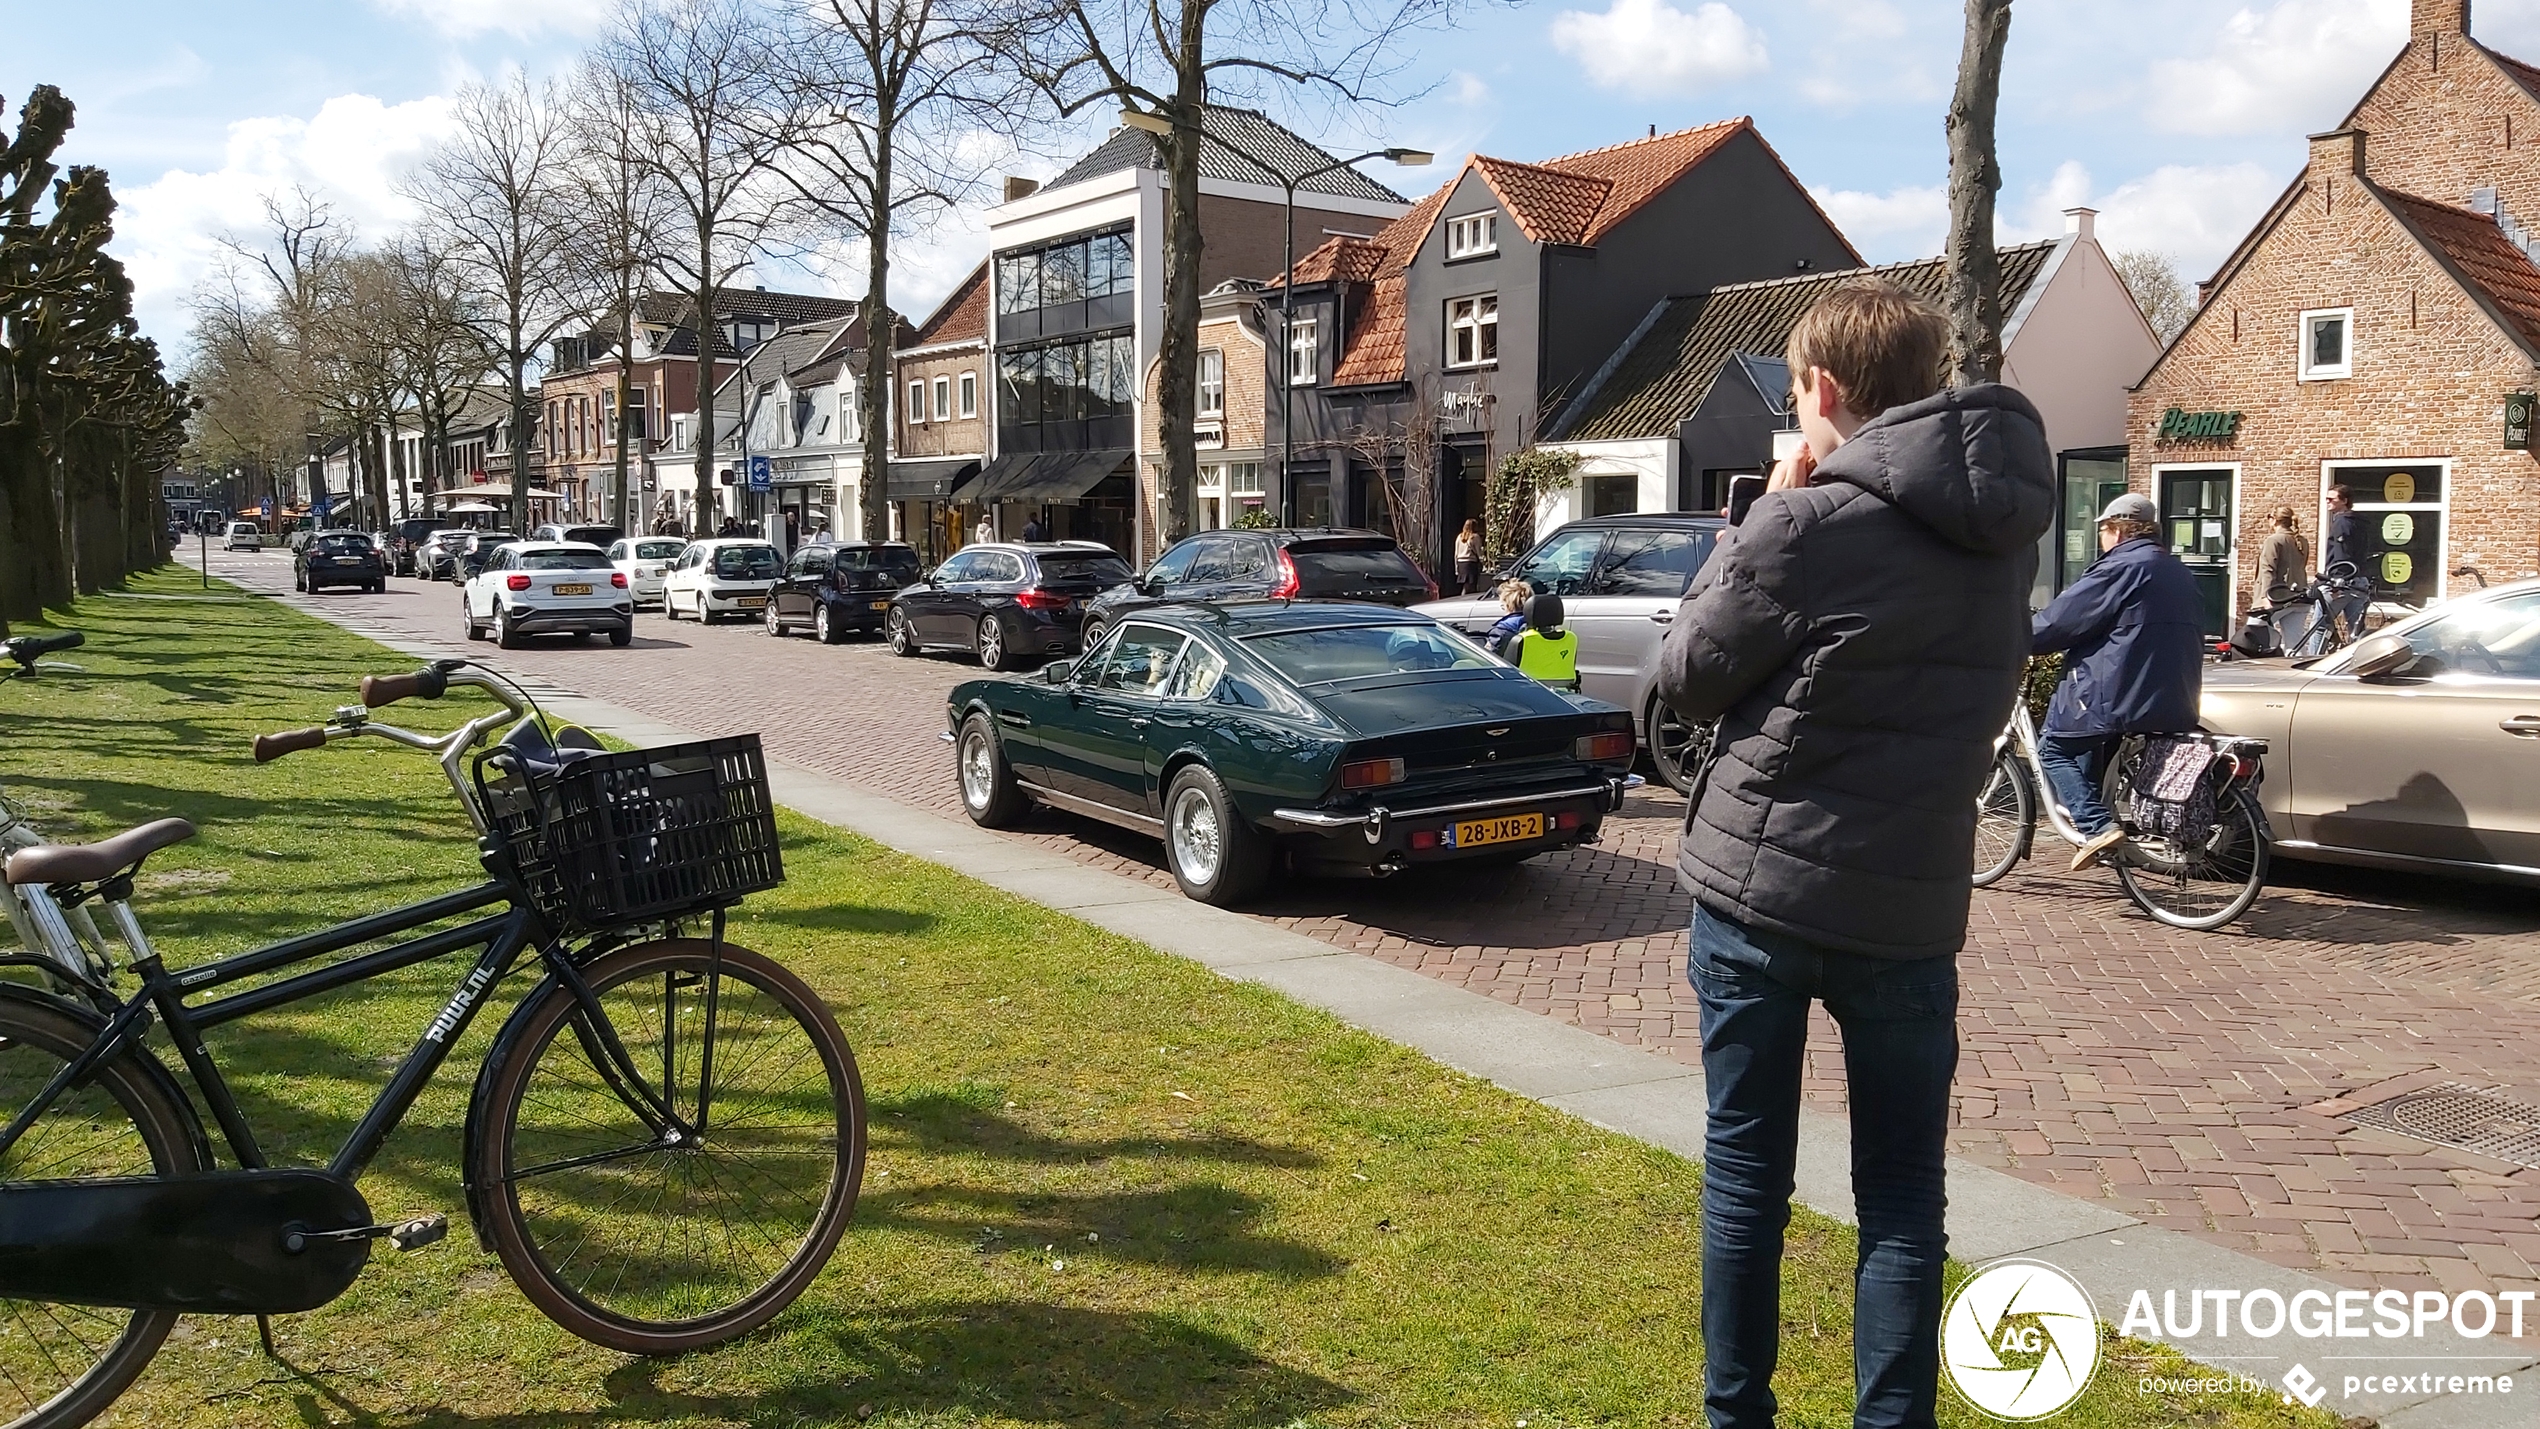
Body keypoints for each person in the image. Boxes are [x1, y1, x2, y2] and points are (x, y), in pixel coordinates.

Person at [1656, 278, 2053, 1429]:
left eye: (1791, 390)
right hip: (1908, 908)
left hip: (1759, 900)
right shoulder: (2002, 543)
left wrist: (1750, 526)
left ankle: (1737, 1415)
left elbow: (1687, 674)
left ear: (1821, 389)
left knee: (1745, 1177)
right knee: (1899, 1197)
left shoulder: (1801, 521)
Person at [2028, 492, 2205, 870]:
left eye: (2104, 531)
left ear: (2119, 531)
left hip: (2120, 693)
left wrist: (2016, 638)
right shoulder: (2178, 570)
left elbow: (2062, 620)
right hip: (2173, 695)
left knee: (2053, 749)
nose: (2102, 541)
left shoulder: (2120, 568)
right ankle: (2106, 827)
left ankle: (2097, 827)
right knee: (2091, 749)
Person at [2258, 505, 2311, 652]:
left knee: (2254, 632)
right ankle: (2298, 672)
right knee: (2295, 645)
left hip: (2277, 597)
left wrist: (2264, 596)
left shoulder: (2273, 540)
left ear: (2273, 520)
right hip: (2299, 596)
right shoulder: (2302, 541)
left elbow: (2268, 570)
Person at [2321, 484, 2368, 639]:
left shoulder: (2342, 522)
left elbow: (2342, 553)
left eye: (2331, 499)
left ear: (2344, 501)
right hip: (2359, 581)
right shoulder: (2359, 522)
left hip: (2343, 583)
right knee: (2356, 631)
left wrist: (2336, 582)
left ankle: (2312, 662)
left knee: (2320, 626)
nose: (2327, 501)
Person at [1505, 592, 1579, 690]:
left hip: (1526, 695)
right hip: (1564, 696)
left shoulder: (1522, 639)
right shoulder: (1571, 638)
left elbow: (1505, 673)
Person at [1482, 579, 1532, 655]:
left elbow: (1486, 659)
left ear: (1507, 605)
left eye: (1503, 605)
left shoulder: (1501, 632)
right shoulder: (1543, 628)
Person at [1454, 518, 1484, 594]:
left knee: (1465, 585)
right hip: (1470, 564)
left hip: (1461, 564)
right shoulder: (1475, 537)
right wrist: (1482, 562)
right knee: (1471, 586)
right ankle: (1464, 599)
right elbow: (1478, 552)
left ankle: (1463, 598)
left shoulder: (1459, 537)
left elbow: (1456, 554)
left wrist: (1456, 568)